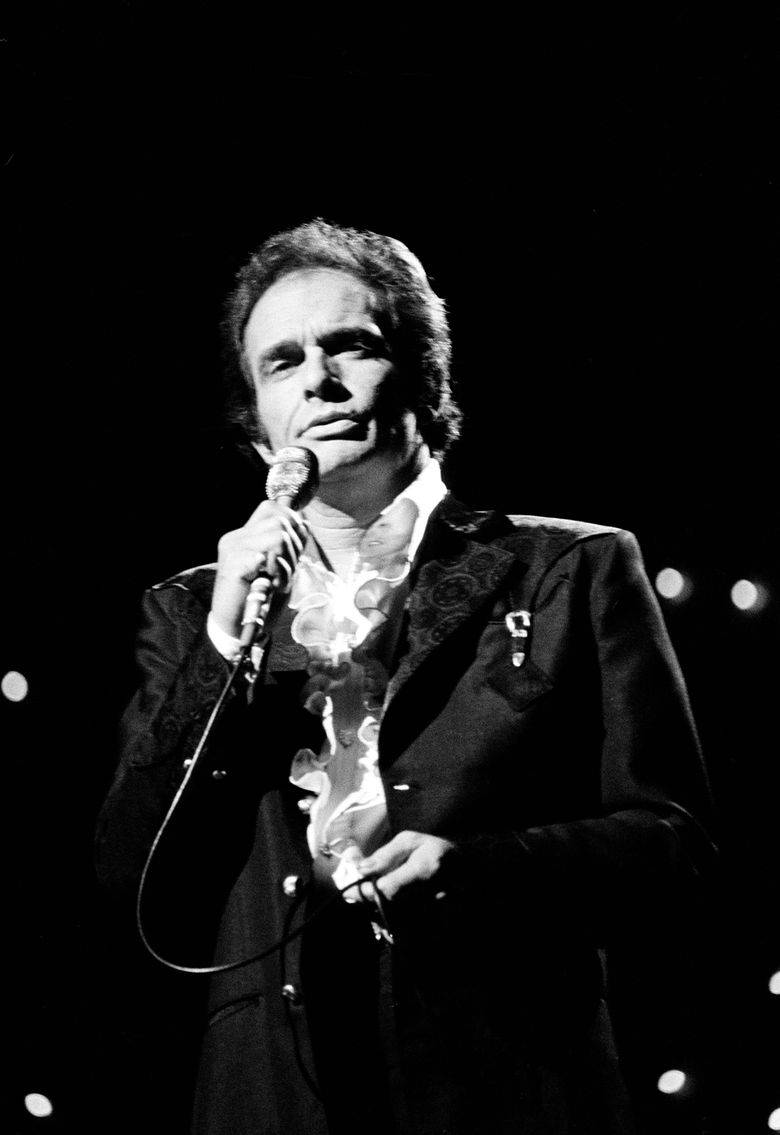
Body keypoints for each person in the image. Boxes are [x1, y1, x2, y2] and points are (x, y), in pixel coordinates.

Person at [95, 219, 715, 1134]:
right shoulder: (193, 610)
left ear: (424, 377)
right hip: (275, 1092)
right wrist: (224, 648)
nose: (318, 380)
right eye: (282, 363)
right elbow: (133, 879)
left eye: (350, 346)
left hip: (507, 1078)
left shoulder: (566, 567)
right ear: (257, 424)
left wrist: (479, 872)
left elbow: (674, 845)